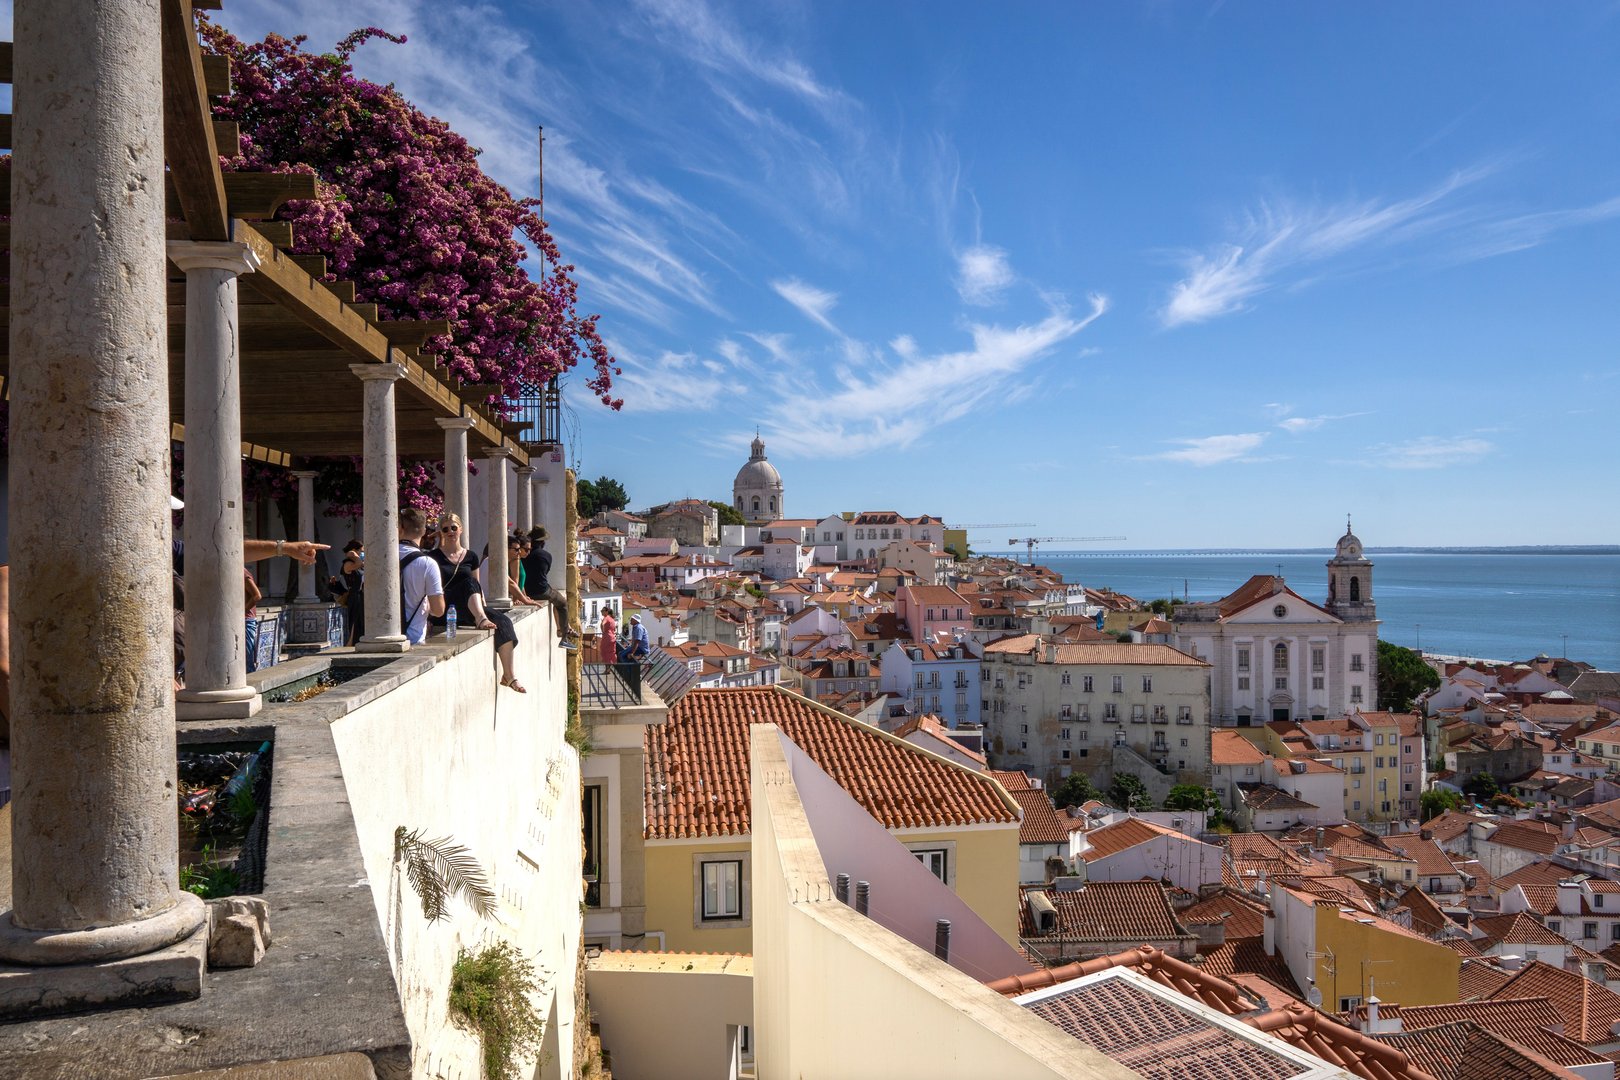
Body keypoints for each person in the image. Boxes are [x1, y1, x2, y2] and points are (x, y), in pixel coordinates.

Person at [430, 514, 527, 692]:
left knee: (504, 621)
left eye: (454, 527)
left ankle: (509, 676)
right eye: (445, 529)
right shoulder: (433, 557)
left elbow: (476, 585)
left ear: (460, 529)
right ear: (441, 532)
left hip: (470, 607)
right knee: (468, 583)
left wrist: (484, 607)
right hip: (446, 606)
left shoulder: (471, 556)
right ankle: (481, 618)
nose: (450, 531)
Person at [522, 526, 578, 651]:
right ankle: (564, 638)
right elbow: (545, 572)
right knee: (562, 603)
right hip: (541, 591)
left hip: (525, 590)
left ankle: (562, 629)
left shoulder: (524, 554)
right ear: (542, 542)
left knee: (555, 596)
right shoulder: (546, 556)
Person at [397, 507, 445, 645]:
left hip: (377, 640)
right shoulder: (427, 563)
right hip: (413, 639)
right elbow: (438, 610)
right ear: (424, 531)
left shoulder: (379, 558)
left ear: (400, 529)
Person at [327, 540, 365, 646]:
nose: (362, 553)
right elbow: (359, 563)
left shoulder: (358, 564)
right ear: (354, 550)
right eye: (361, 551)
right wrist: (353, 555)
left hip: (360, 595)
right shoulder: (348, 563)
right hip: (354, 595)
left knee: (361, 620)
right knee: (355, 620)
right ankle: (351, 643)